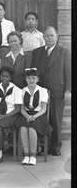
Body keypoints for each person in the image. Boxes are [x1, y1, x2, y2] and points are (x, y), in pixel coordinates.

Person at [31, 26, 71, 156]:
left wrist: (68, 91)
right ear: (43, 37)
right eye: (47, 36)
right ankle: (42, 147)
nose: (49, 38)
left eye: (52, 35)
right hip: (40, 92)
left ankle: (55, 147)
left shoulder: (64, 52)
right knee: (41, 119)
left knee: (55, 119)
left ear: (57, 36)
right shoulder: (37, 52)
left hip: (57, 91)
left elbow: (69, 73)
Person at [14, 68, 53, 165]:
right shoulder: (22, 91)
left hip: (38, 115)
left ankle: (33, 156)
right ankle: (26, 155)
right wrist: (27, 116)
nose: (31, 80)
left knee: (32, 127)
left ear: (37, 79)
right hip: (26, 114)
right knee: (23, 128)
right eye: (29, 78)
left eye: (33, 78)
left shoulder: (43, 91)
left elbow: (43, 109)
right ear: (26, 79)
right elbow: (22, 109)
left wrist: (34, 116)